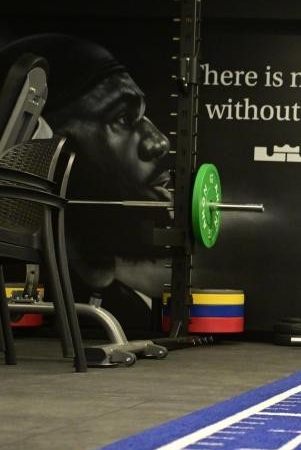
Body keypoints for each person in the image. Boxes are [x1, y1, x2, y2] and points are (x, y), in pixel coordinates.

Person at [0, 34, 173, 331]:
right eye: (123, 117)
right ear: (48, 147)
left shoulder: (131, 309)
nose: (160, 142)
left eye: (143, 114)